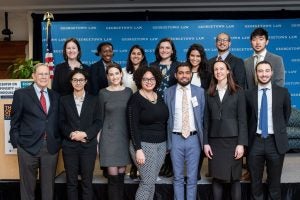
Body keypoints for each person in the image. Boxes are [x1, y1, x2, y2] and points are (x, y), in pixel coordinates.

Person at [9, 63, 61, 200]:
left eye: (46, 74)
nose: (43, 77)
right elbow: (14, 121)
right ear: (34, 76)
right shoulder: (21, 94)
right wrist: (18, 144)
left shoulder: (55, 96)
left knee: (48, 189)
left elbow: (58, 121)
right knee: (27, 188)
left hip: (50, 147)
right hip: (27, 147)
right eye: (40, 74)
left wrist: (58, 141)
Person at [245, 60, 291, 200]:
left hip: (275, 142)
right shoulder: (248, 94)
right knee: (255, 182)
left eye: (266, 71)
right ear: (256, 74)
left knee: (274, 183)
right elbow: (246, 118)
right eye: (260, 71)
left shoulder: (283, 92)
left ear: (271, 72)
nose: (263, 74)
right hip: (255, 142)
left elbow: (286, 114)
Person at [203, 60, 247, 200]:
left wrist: (241, 144)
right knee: (217, 178)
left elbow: (242, 119)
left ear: (228, 71)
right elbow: (205, 121)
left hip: (233, 141)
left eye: (222, 69)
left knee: (234, 179)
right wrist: (205, 143)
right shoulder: (208, 93)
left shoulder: (238, 91)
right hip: (214, 141)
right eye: (216, 69)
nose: (219, 72)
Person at [164, 62, 205, 200]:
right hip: (175, 138)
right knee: (178, 177)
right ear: (175, 75)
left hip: (194, 138)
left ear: (191, 74)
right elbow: (165, 119)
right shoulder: (168, 92)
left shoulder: (199, 92)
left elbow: (203, 117)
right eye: (180, 73)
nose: (184, 75)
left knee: (193, 178)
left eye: (187, 72)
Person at [59, 68, 101, 200]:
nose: (78, 82)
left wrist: (85, 134)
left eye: (81, 80)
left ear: (86, 81)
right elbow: (61, 122)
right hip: (69, 146)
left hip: (88, 146)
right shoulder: (64, 100)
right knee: (71, 182)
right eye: (75, 80)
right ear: (71, 82)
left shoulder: (94, 100)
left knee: (87, 182)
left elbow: (98, 121)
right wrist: (72, 134)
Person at [127, 67, 168, 200]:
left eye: (152, 78)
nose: (149, 81)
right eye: (145, 79)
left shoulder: (159, 96)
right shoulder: (135, 99)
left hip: (161, 145)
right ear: (140, 80)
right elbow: (132, 126)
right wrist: (138, 149)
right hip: (144, 146)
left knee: (151, 183)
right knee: (147, 183)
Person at [99, 63, 132, 200]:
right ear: (107, 76)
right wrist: (97, 141)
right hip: (108, 139)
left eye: (116, 73)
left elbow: (131, 116)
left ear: (121, 74)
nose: (114, 77)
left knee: (121, 177)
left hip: (124, 138)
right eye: (111, 74)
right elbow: (99, 118)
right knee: (112, 178)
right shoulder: (103, 93)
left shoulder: (128, 92)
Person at [150, 38, 180, 177]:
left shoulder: (178, 66)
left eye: (167, 48)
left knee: (171, 133)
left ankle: (170, 165)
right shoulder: (152, 65)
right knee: (159, 133)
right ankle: (160, 164)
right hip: (155, 105)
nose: (164, 50)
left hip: (174, 105)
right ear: (158, 50)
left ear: (172, 50)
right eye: (161, 47)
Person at [186, 43, 212, 180]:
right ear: (188, 56)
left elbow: (209, 94)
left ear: (201, 58)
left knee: (199, 140)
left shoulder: (207, 73)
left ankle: (195, 170)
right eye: (192, 55)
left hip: (201, 112)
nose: (194, 58)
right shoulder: (183, 70)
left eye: (198, 56)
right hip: (185, 112)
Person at [122, 44, 148, 180]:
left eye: (139, 53)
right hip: (128, 109)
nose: (136, 56)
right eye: (133, 53)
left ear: (143, 56)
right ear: (130, 55)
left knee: (141, 136)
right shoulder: (123, 71)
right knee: (131, 136)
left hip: (144, 109)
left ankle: (141, 166)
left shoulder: (147, 72)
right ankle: (133, 165)